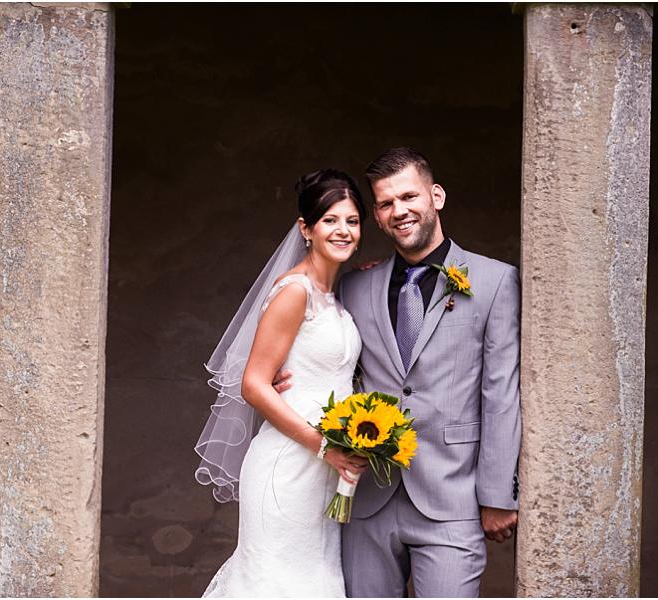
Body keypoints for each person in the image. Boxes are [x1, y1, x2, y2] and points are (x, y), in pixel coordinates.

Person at [276, 147, 522, 597]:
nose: (399, 211)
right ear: (378, 213)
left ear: (437, 196)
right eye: (386, 203)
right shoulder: (355, 285)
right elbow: (327, 357)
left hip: (453, 500)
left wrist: (497, 496)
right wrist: (285, 380)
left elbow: (501, 394)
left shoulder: (495, 282)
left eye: (409, 197)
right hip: (367, 496)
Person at [194, 168, 370, 597]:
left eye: (351, 220)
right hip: (289, 466)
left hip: (324, 473)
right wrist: (325, 447)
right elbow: (254, 384)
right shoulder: (295, 291)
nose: (342, 230)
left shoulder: (334, 296)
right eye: (330, 220)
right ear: (305, 229)